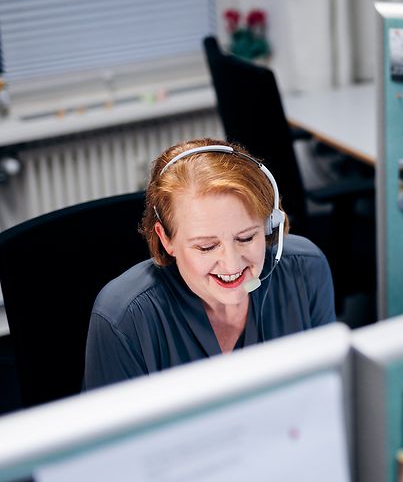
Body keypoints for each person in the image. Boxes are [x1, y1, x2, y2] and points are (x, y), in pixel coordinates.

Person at [83, 138, 335, 390]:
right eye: (206, 246)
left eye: (246, 237)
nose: (231, 263)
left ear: (269, 225)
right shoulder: (125, 318)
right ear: (166, 239)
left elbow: (328, 394)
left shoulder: (305, 271)